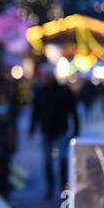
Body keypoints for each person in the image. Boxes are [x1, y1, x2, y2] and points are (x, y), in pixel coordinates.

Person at [29, 63, 79, 199]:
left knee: (63, 159)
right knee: (48, 161)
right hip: (46, 131)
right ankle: (50, 187)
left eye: (45, 76)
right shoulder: (40, 92)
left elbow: (73, 111)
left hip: (62, 130)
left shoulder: (64, 91)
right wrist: (31, 129)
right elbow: (36, 112)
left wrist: (76, 129)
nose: (43, 79)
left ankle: (64, 185)